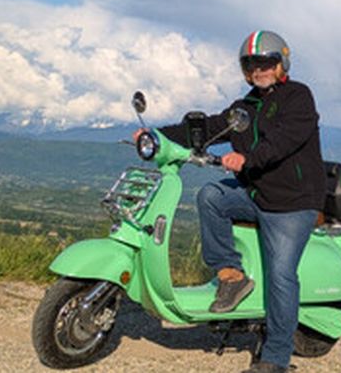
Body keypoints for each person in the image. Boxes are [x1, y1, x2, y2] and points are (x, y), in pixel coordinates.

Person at [136, 30, 325, 373]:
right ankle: (231, 276)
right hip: (257, 194)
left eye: (266, 62)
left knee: (281, 275)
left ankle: (276, 358)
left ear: (281, 63)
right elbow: (207, 129)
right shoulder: (245, 107)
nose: (259, 69)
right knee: (211, 196)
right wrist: (157, 136)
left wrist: (247, 159)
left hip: (293, 203)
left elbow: (283, 140)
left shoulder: (299, 97)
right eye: (251, 64)